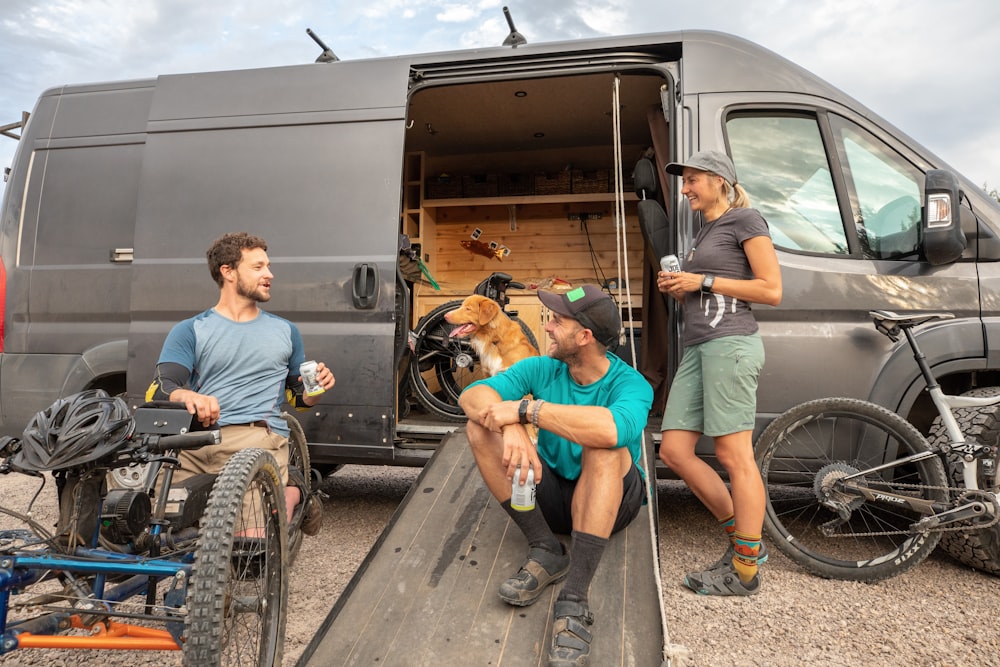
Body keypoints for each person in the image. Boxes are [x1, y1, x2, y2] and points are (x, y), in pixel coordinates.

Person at [459, 284, 653, 667]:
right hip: (552, 493)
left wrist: (527, 412)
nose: (547, 327)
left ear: (584, 337)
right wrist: (510, 425)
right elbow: (473, 396)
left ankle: (575, 599)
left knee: (602, 446)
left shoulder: (630, 383)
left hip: (612, 500)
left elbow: (614, 429)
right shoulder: (543, 367)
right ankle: (546, 548)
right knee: (479, 427)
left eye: (558, 321)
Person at [146, 231, 335, 536]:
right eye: (258, 267)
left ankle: (296, 493)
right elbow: (162, 386)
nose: (269, 274)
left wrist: (317, 390)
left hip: (254, 439)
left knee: (249, 551)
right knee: (159, 533)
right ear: (228, 271)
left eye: (268, 266)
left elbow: (297, 397)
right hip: (194, 442)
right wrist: (185, 395)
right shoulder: (190, 330)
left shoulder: (285, 331)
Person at [656, 149, 782, 596]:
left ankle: (746, 568)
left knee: (733, 456)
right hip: (700, 347)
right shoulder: (705, 230)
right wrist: (679, 287)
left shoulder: (746, 219)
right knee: (674, 451)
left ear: (719, 181)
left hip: (730, 344)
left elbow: (771, 290)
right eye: (685, 181)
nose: (685, 188)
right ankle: (742, 540)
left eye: (692, 180)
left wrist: (701, 281)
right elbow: (701, 294)